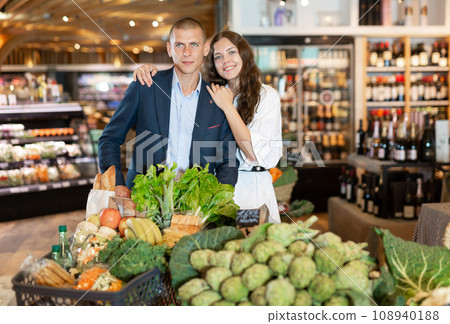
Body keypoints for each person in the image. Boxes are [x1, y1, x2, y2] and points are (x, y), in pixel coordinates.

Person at [134, 30, 283, 222]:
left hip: (253, 190)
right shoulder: (210, 94)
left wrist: (228, 107)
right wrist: (148, 71)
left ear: (244, 54)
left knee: (250, 246)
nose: (226, 60)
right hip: (215, 191)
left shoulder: (266, 96)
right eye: (218, 56)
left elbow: (252, 153)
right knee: (219, 249)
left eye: (231, 52)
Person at [98, 18, 239, 199]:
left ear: (205, 49)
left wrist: (217, 199)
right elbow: (109, 138)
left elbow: (228, 161)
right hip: (142, 201)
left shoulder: (218, 98)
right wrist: (116, 183)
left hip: (194, 207)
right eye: (179, 45)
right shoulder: (146, 86)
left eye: (194, 45)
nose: (187, 52)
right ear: (169, 49)